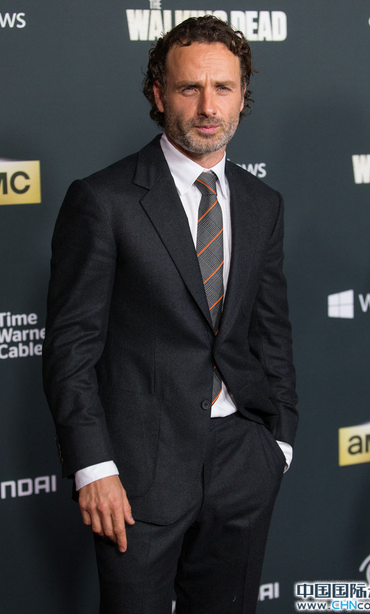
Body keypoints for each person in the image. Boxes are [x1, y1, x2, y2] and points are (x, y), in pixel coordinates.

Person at [43, 15, 298, 614]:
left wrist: (278, 443)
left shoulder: (262, 203)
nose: (208, 107)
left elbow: (271, 332)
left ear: (243, 96)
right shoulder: (103, 200)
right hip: (135, 472)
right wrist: (93, 466)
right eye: (190, 88)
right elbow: (71, 350)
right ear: (159, 95)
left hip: (242, 459)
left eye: (223, 88)